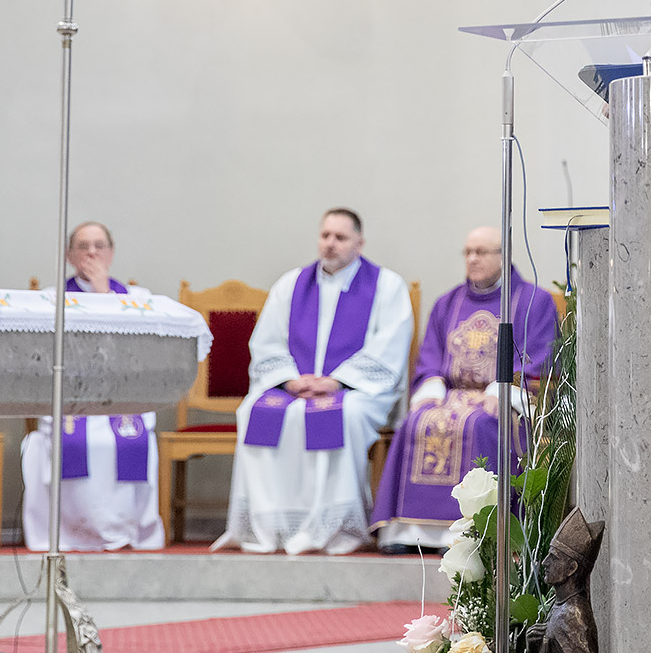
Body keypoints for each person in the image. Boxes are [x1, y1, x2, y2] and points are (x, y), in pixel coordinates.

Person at [213, 207, 413, 555]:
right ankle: (271, 525)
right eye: (325, 235)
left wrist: (337, 381)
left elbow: (389, 345)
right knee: (253, 410)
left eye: (340, 237)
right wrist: (290, 380)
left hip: (357, 391)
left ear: (360, 243)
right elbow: (267, 341)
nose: (330, 243)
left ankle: (332, 525)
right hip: (296, 387)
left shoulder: (386, 285)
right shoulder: (291, 284)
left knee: (344, 413)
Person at [369, 226, 559, 552]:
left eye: (481, 252)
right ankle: (406, 532)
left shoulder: (532, 301)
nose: (472, 259)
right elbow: (430, 357)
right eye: (468, 252)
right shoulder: (449, 302)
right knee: (414, 422)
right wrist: (431, 388)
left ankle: (468, 534)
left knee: (479, 425)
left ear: (504, 255)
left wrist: (503, 390)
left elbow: (538, 358)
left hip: (502, 401)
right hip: (452, 394)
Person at [19, 221, 165, 551]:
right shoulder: (52, 299)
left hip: (121, 400)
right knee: (72, 442)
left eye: (99, 246)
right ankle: (73, 534)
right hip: (69, 401)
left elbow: (137, 351)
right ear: (69, 255)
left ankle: (122, 531)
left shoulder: (137, 299)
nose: (91, 253)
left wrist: (103, 293)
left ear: (111, 253)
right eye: (83, 246)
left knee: (123, 442)